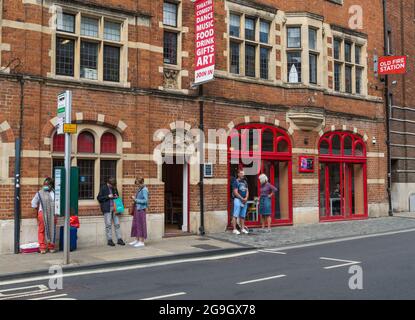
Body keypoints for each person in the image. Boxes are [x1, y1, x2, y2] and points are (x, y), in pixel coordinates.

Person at [31, 177, 57, 254]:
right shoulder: (39, 193)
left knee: (52, 230)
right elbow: (33, 203)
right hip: (42, 213)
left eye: (47, 184)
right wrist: (38, 211)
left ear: (51, 185)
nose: (45, 185)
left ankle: (51, 246)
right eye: (44, 184)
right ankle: (42, 247)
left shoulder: (55, 193)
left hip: (53, 214)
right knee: (42, 230)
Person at [97, 177, 125, 247]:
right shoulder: (103, 188)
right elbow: (99, 198)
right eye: (111, 185)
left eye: (113, 185)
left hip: (115, 208)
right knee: (108, 224)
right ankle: (109, 240)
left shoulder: (114, 188)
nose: (112, 186)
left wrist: (116, 196)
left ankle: (119, 239)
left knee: (117, 224)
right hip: (107, 208)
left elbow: (117, 197)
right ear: (108, 183)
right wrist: (108, 196)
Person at [130, 178, 149, 248]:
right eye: (137, 185)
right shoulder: (140, 189)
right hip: (137, 208)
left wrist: (135, 199)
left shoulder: (144, 190)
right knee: (136, 224)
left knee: (141, 225)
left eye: (139, 184)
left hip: (141, 209)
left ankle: (141, 241)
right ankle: (137, 239)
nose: (138, 186)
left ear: (142, 183)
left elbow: (145, 201)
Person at [231, 169, 249, 235]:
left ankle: (242, 228)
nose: (243, 175)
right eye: (241, 173)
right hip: (238, 200)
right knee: (235, 215)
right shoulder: (236, 182)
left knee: (242, 215)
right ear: (238, 174)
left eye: (243, 173)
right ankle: (234, 229)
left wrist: (246, 198)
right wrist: (242, 198)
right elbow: (235, 192)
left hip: (244, 200)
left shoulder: (245, 182)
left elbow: (247, 191)